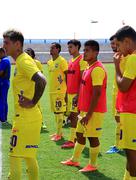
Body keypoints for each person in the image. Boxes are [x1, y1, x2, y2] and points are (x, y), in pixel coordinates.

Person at [3, 29, 46, 180]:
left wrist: (33, 101)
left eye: (7, 43)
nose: (4, 46)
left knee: (14, 156)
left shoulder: (24, 60)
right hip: (29, 117)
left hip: (26, 118)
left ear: (17, 44)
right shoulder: (21, 60)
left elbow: (41, 80)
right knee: (29, 157)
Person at [61, 40, 107, 172]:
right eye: (84, 50)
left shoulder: (97, 69)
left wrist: (89, 114)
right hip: (84, 110)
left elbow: (97, 93)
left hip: (94, 112)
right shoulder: (88, 67)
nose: (84, 53)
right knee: (79, 134)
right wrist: (78, 98)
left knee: (93, 137)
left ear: (96, 52)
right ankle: (74, 160)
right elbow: (84, 87)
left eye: (87, 50)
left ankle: (93, 165)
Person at [114, 25, 136, 179]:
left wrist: (116, 67)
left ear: (127, 42)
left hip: (132, 113)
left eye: (119, 44)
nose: (118, 49)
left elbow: (122, 86)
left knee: (132, 160)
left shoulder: (134, 58)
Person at [62, 39, 88, 149]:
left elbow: (83, 78)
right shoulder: (71, 60)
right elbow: (69, 78)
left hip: (77, 93)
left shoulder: (81, 60)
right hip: (70, 92)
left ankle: (72, 140)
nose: (69, 49)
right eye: (68, 47)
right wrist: (67, 92)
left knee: (74, 116)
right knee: (72, 116)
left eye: (71, 47)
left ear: (77, 47)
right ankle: (76, 138)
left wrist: (78, 93)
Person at [46, 43, 68, 141]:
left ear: (58, 49)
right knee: (56, 112)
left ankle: (59, 134)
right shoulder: (49, 62)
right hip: (52, 91)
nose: (50, 49)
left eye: (53, 48)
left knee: (60, 113)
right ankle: (58, 132)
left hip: (60, 91)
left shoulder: (62, 61)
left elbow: (67, 76)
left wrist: (67, 90)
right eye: (50, 48)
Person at [106, 34, 123, 154]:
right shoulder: (117, 56)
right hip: (116, 92)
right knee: (118, 119)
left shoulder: (127, 57)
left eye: (115, 43)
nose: (113, 46)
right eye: (112, 44)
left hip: (123, 93)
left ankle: (119, 145)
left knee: (121, 119)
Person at [24, 48, 47, 129]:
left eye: (29, 53)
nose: (27, 54)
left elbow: (41, 75)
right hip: (26, 88)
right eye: (26, 53)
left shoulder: (37, 63)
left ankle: (41, 122)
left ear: (32, 54)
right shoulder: (24, 63)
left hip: (34, 87)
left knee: (37, 105)